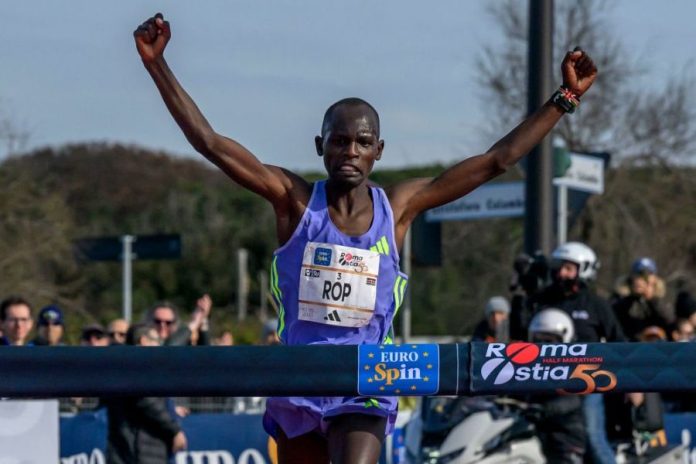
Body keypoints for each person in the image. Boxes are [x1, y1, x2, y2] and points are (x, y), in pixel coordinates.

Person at [133, 12, 598, 463]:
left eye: (361, 142)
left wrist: (563, 100)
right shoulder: (295, 202)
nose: (349, 151)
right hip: (301, 380)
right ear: (321, 146)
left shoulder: (397, 209)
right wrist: (157, 65)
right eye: (339, 141)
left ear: (379, 150)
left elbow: (496, 160)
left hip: (368, 378)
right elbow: (209, 143)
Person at [510, 242, 625, 464]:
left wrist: (631, 384)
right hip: (546, 379)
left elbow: (618, 341)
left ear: (584, 270)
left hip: (587, 381)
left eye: (569, 268)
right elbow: (520, 333)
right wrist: (521, 292)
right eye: (559, 267)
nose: (562, 273)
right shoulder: (542, 299)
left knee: (593, 437)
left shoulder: (595, 305)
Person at [102, 323, 187, 464]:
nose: (160, 346)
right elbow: (147, 401)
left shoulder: (125, 366)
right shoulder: (135, 368)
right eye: (156, 341)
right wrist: (175, 430)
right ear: (143, 341)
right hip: (139, 451)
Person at [525, 308, 586, 464]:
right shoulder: (528, 370)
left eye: (549, 341)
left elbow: (573, 399)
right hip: (537, 433)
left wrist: (545, 409)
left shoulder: (571, 369)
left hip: (565, 435)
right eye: (539, 341)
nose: (543, 346)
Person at [611, 257, 673, 341]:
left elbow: (669, 322)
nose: (642, 280)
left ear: (655, 279)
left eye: (647, 275)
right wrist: (631, 296)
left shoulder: (664, 298)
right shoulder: (620, 298)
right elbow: (614, 319)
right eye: (639, 275)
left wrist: (651, 299)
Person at [145, 294, 211, 346]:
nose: (162, 325)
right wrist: (194, 323)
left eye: (168, 322)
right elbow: (168, 350)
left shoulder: (183, 343)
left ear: (175, 324)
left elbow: (206, 357)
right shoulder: (139, 338)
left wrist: (203, 320)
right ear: (149, 321)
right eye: (158, 321)